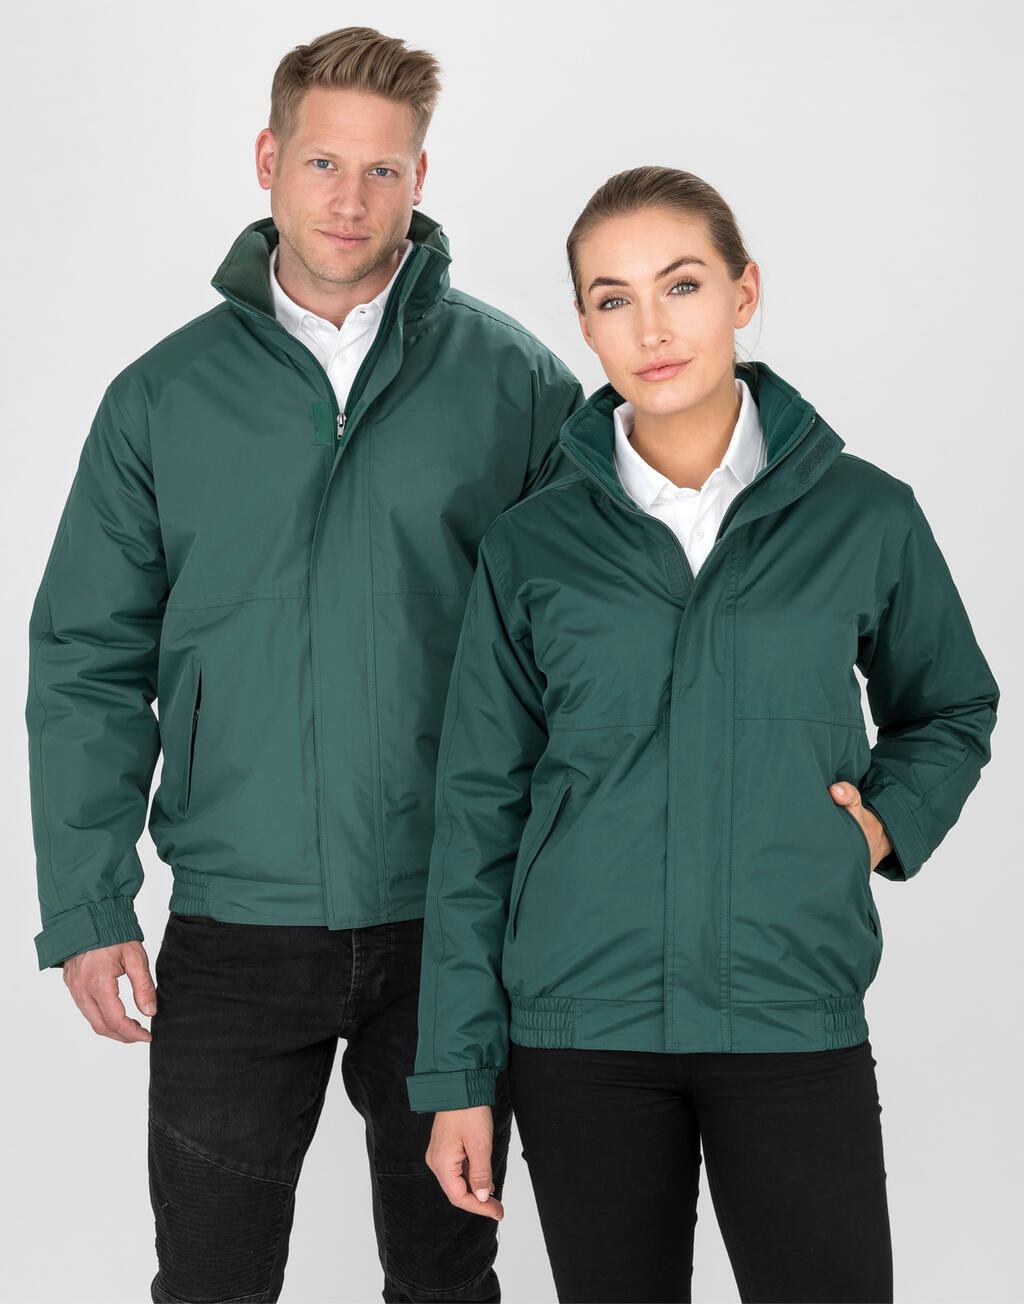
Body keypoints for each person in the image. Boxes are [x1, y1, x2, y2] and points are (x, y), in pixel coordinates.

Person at [25, 25, 583, 1304]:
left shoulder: (514, 384)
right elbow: (88, 659)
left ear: (420, 178)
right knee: (209, 1281)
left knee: (447, 1278)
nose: (350, 197)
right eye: (324, 161)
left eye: (382, 170)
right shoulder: (160, 398)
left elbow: (589, 645)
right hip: (236, 925)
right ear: (268, 159)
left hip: (451, 921)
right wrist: (89, 902)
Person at [405, 166, 1000, 1303]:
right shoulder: (530, 547)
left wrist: (877, 827)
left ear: (743, 292)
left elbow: (951, 705)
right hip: (581, 1033)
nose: (652, 327)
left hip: (788, 1013)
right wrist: (457, 1076)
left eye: (680, 284)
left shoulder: (865, 514)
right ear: (586, 325)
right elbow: (476, 816)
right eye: (613, 298)